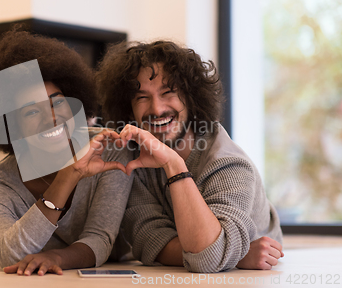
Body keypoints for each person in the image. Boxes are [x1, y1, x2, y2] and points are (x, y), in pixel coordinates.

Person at [96, 40, 283, 273]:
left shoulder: (228, 162)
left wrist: (173, 164)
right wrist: (232, 255)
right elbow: (149, 242)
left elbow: (207, 258)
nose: (156, 108)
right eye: (142, 97)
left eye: (168, 92)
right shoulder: (134, 160)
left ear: (191, 98)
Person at [0, 30, 132, 276]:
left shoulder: (109, 149)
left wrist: (56, 257)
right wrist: (69, 174)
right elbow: (9, 255)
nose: (52, 119)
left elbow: (101, 238)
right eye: (32, 112)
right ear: (13, 127)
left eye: (57, 102)